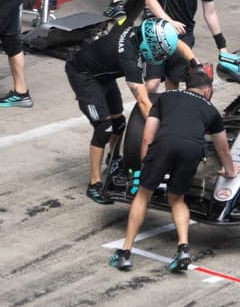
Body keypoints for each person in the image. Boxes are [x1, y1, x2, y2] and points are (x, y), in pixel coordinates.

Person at [110, 68, 239, 273]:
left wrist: (146, 163)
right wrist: (231, 171)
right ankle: (183, 249)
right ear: (207, 91)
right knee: (177, 199)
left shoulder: (166, 97)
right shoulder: (211, 110)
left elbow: (147, 136)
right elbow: (223, 148)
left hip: (164, 144)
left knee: (143, 195)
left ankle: (125, 253)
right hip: (192, 149)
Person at [65, 18, 198, 204]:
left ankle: (114, 159)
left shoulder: (144, 33)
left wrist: (195, 63)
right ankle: (94, 183)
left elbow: (177, 43)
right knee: (104, 128)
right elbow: (144, 102)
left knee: (119, 123)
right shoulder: (128, 56)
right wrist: (165, 129)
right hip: (83, 76)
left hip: (103, 74)